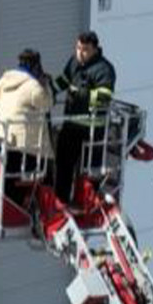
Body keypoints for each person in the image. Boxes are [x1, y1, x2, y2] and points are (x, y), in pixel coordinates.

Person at [52, 31, 118, 201]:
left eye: (85, 49)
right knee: (64, 164)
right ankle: (61, 201)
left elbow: (104, 97)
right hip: (71, 124)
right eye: (78, 48)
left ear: (95, 49)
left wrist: (82, 94)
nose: (80, 53)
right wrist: (49, 89)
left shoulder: (104, 69)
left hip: (92, 130)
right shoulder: (74, 62)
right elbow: (64, 80)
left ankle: (86, 202)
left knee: (89, 171)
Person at [0, 49, 53, 207]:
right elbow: (47, 105)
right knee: (47, 169)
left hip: (2, 139)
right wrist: (46, 86)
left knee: (9, 177)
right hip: (24, 146)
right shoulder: (34, 86)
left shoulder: (6, 78)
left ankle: (8, 205)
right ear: (36, 66)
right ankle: (41, 206)